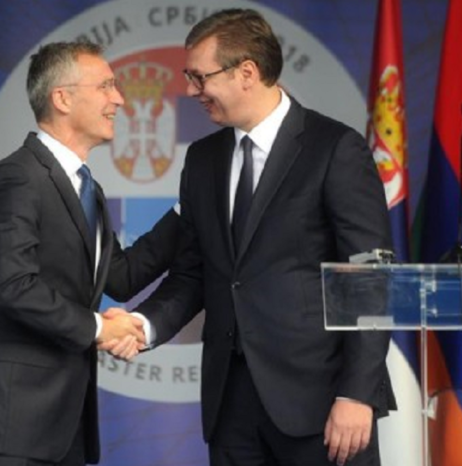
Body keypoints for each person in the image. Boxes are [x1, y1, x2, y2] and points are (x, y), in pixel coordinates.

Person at [124, 8, 396, 466]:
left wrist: (356, 394)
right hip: (232, 408)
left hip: (322, 404)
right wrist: (142, 326)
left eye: (199, 77)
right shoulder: (203, 159)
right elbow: (193, 273)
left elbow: (369, 279)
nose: (191, 91)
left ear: (246, 72)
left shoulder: (334, 148)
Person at [0, 39, 179, 466]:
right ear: (62, 98)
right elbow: (13, 286)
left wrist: (186, 212)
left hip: (61, 429)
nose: (119, 100)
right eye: (105, 86)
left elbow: (120, 276)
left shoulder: (86, 187)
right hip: (7, 428)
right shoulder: (17, 177)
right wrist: (100, 329)